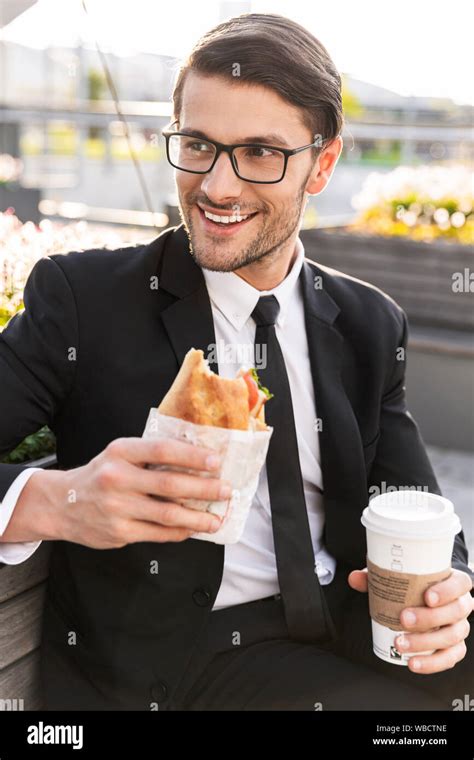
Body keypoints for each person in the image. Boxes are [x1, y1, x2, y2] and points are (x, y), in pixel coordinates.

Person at [0, 13, 472, 711]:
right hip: (174, 666)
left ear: (324, 164)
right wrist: (54, 503)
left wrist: (451, 591)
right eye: (198, 145)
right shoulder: (81, 299)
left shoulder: (371, 323)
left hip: (345, 635)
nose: (217, 188)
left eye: (259, 153)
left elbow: (411, 504)